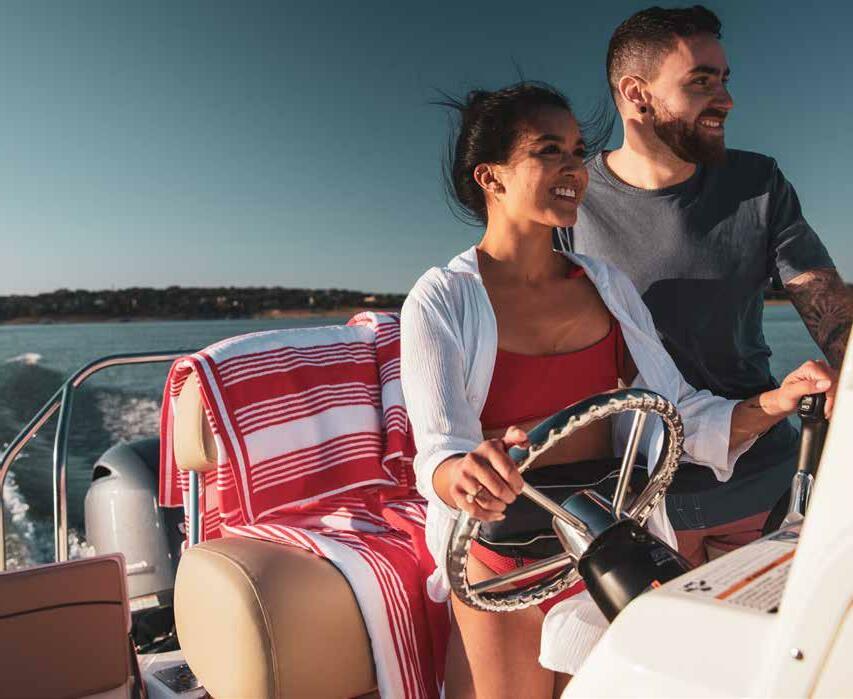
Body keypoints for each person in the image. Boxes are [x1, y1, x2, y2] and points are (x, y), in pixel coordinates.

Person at [400, 82, 837, 698]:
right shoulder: (441, 298)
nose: (574, 169)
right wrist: (465, 476)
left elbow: (679, 414)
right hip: (501, 559)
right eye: (549, 151)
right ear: (490, 177)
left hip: (611, 546)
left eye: (578, 152)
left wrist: (775, 402)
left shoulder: (607, 286)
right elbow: (439, 452)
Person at [563, 5, 853, 566]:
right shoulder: (570, 200)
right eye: (701, 81)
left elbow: (829, 308)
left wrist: (847, 369)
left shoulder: (757, 182)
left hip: (763, 489)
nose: (727, 99)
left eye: (724, 79)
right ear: (637, 93)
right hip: (631, 504)